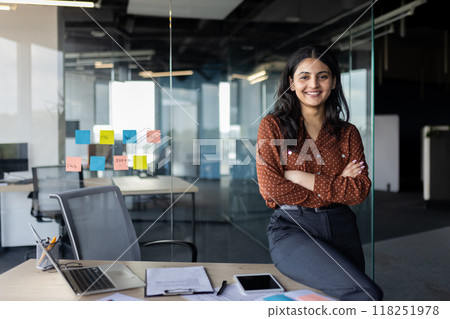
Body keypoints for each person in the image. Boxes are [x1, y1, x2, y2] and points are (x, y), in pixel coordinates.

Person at [256, 45, 383, 301]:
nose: (313, 84)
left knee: (340, 303)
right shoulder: (273, 126)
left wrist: (298, 176)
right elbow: (272, 190)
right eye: (304, 76)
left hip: (342, 227)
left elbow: (359, 191)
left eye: (322, 76)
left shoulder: (348, 132)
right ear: (292, 83)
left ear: (334, 82)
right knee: (366, 295)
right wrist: (337, 185)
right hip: (293, 228)